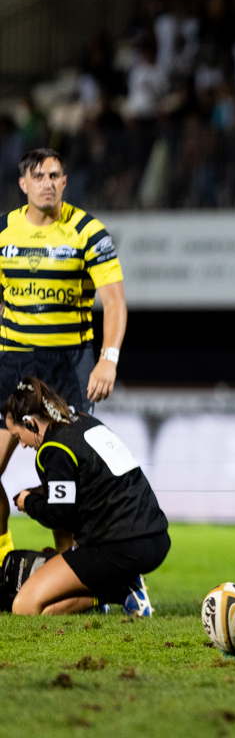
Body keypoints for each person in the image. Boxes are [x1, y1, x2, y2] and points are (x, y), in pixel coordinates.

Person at [0, 148, 127, 523]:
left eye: (54, 176)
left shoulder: (88, 232)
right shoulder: (3, 231)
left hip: (67, 365)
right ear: (23, 184)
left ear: (65, 182)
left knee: (66, 475)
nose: (47, 184)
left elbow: (115, 302)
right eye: (38, 177)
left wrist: (108, 359)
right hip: (14, 361)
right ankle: (4, 552)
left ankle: (68, 559)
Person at [5, 377, 167, 616]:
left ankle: (118, 590)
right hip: (156, 537)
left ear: (30, 423)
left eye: (18, 436)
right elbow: (89, 482)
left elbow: (59, 514)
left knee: (24, 606)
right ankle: (116, 583)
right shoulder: (83, 421)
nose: (22, 445)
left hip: (118, 547)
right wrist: (39, 493)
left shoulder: (53, 448)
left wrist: (28, 502)